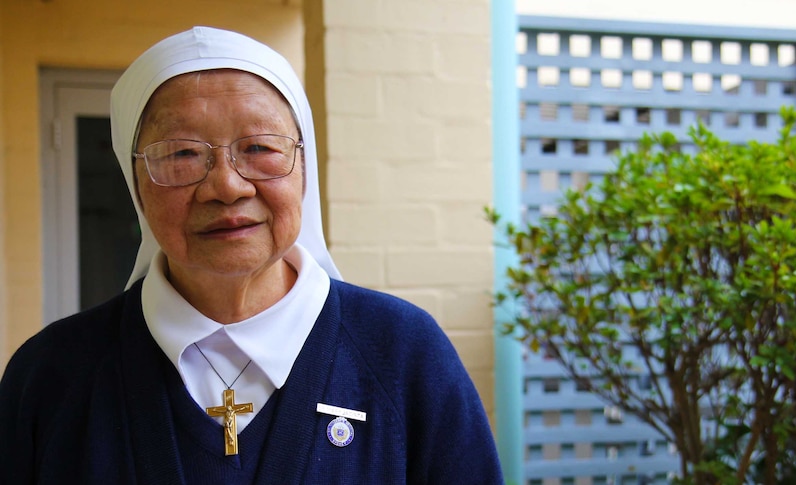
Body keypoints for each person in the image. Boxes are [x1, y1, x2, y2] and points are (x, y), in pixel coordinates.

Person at [0, 26, 504, 484]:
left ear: (304, 167)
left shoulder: (405, 355)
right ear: (135, 181)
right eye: (181, 153)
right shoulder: (50, 375)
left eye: (260, 147)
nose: (226, 185)